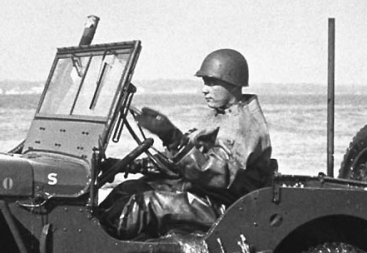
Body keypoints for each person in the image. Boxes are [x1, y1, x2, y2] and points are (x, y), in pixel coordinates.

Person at [99, 48, 273, 239]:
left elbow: (216, 176)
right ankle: (94, 228)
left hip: (226, 208)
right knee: (129, 189)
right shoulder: (223, 115)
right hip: (205, 194)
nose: (204, 89)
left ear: (232, 84)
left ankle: (94, 244)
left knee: (146, 205)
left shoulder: (243, 126)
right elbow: (181, 162)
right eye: (204, 83)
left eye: (211, 83)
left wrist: (172, 137)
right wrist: (131, 165)